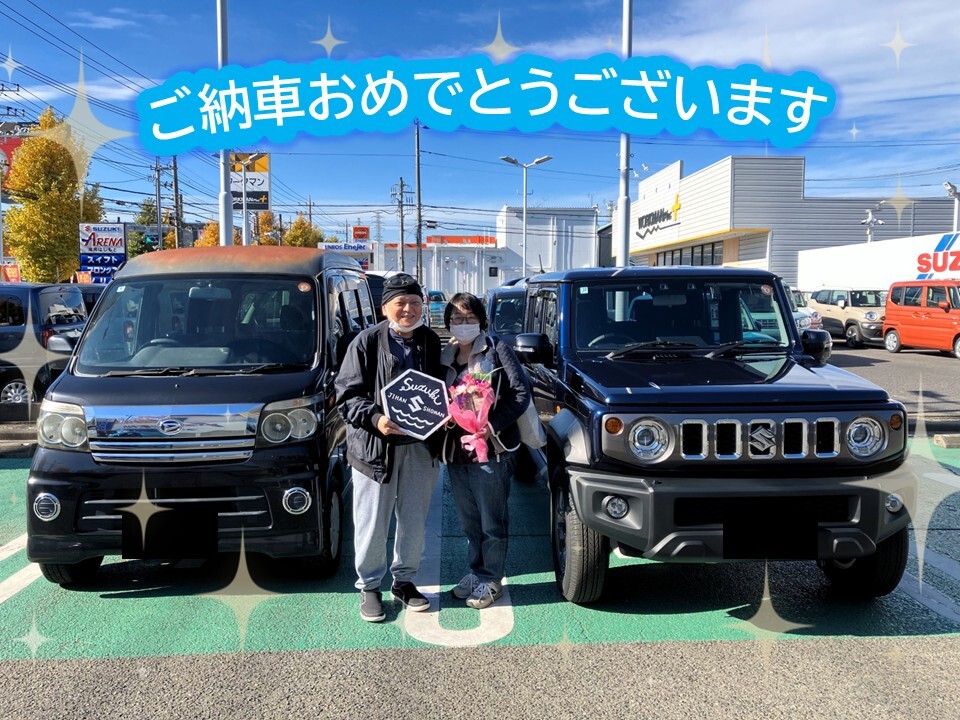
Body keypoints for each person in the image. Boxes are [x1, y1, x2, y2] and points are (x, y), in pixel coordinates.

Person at [335, 273, 444, 622]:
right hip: (375, 449)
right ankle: (369, 586)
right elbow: (347, 396)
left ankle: (404, 581)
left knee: (414, 519)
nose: (408, 309)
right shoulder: (365, 342)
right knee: (372, 520)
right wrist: (376, 419)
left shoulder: (430, 340)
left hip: (420, 446)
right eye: (401, 302)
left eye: (415, 302)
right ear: (385, 308)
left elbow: (438, 389)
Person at [440, 292, 530, 609]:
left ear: (481, 320)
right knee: (469, 522)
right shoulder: (445, 355)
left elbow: (520, 393)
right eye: (457, 318)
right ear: (448, 322)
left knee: (492, 521)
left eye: (470, 317)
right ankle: (477, 572)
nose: (463, 323)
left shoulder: (496, 349)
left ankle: (492, 579)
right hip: (456, 450)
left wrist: (492, 425)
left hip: (491, 449)